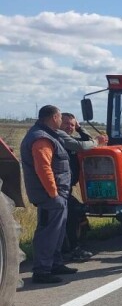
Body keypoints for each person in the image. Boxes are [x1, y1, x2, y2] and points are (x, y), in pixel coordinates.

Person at [20, 105, 79, 283]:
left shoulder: (48, 135)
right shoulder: (41, 138)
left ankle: (55, 264)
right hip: (50, 196)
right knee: (48, 234)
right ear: (54, 117)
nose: (61, 121)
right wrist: (53, 194)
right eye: (60, 117)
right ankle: (42, 270)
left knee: (57, 232)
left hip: (57, 195)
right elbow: (43, 167)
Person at [58, 112, 106, 261]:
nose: (69, 127)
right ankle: (73, 249)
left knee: (75, 213)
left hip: (66, 187)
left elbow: (87, 141)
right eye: (66, 123)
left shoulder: (70, 139)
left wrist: (80, 128)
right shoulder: (60, 138)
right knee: (73, 214)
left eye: (72, 125)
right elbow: (83, 145)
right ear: (59, 122)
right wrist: (97, 141)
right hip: (59, 187)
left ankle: (71, 247)